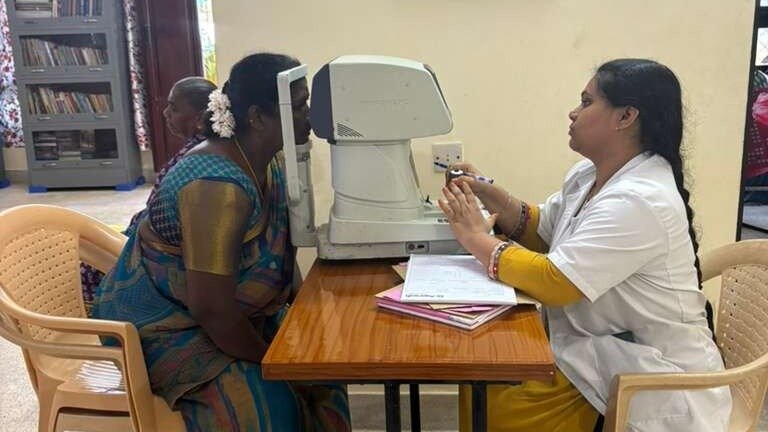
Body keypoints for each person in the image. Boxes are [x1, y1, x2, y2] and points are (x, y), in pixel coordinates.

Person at [439, 59, 731, 431]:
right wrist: (488, 191)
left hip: (654, 373)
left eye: (587, 102)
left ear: (625, 116)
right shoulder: (589, 175)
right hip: (600, 350)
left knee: (499, 403)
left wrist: (476, 238)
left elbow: (556, 282)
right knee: (482, 380)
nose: (573, 113)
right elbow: (544, 229)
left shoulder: (639, 200)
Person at [91, 53, 351, 431]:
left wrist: (304, 323)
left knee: (324, 370)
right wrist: (275, 363)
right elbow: (211, 309)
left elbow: (280, 255)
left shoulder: (273, 160)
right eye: (298, 106)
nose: (309, 116)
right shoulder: (214, 186)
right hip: (169, 325)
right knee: (269, 403)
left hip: (237, 313)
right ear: (257, 117)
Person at [80, 77, 217, 313]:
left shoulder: (191, 161)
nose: (165, 113)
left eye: (174, 108)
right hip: (147, 232)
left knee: (82, 263)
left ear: (199, 119)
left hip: (149, 247)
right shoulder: (208, 147)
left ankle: (95, 315)